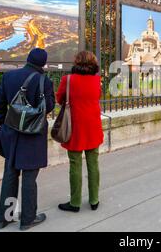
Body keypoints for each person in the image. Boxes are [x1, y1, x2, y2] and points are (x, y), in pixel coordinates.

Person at [0, 48, 55, 231]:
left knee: (10, 175)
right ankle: (28, 219)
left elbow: (0, 105)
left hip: (11, 132)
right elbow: (49, 106)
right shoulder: (45, 81)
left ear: (28, 59)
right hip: (33, 135)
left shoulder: (9, 77)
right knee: (29, 177)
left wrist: (6, 125)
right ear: (43, 63)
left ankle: (5, 217)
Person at [56, 51, 104, 213]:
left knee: (75, 164)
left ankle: (75, 202)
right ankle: (94, 200)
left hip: (74, 127)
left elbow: (59, 99)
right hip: (93, 126)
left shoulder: (68, 80)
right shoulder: (97, 80)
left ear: (76, 62)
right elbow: (97, 96)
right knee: (93, 164)